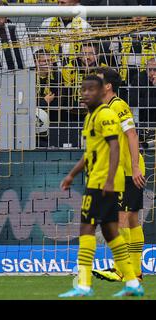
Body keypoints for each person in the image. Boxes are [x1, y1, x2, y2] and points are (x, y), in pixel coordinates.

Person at [59, 75, 143, 297]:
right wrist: (72, 175)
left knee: (100, 225)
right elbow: (92, 152)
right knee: (111, 229)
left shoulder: (110, 111)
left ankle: (92, 282)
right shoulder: (92, 116)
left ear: (104, 89)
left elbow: (122, 141)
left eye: (90, 89)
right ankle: (131, 278)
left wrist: (128, 170)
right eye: (83, 89)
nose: (85, 93)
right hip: (100, 178)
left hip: (110, 178)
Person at [91, 67, 146, 283]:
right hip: (121, 171)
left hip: (127, 171)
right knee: (131, 219)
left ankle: (121, 269)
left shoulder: (118, 105)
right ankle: (136, 272)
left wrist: (133, 167)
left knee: (121, 219)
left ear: (108, 86)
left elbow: (132, 134)